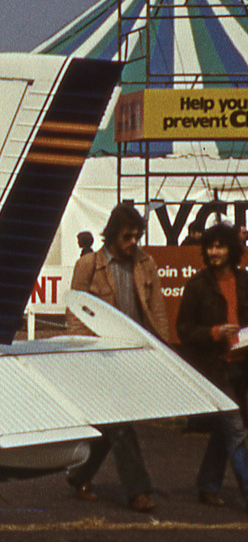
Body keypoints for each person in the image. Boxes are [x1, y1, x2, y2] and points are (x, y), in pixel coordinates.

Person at [65, 203, 168, 511]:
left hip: (135, 354)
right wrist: (80, 353)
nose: (133, 242)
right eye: (127, 236)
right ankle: (138, 491)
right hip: (100, 357)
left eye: (137, 235)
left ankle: (79, 474)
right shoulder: (88, 265)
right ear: (111, 235)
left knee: (109, 425)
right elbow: (76, 313)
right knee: (120, 423)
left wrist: (163, 351)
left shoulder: (145, 263)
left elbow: (157, 309)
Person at [177, 225, 248, 508]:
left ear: (233, 249)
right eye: (210, 246)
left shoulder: (244, 281)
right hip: (215, 367)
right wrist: (215, 333)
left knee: (225, 430)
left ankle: (208, 485)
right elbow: (184, 329)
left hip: (242, 366)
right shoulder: (197, 285)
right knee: (236, 430)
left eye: (221, 246)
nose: (214, 252)